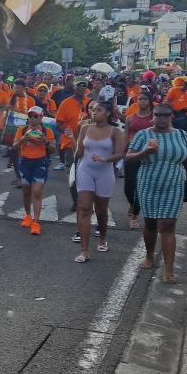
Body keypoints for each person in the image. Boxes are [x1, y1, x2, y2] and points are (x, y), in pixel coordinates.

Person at [127, 103, 187, 283]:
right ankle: (150, 256)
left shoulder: (181, 135)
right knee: (151, 223)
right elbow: (129, 156)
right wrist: (145, 151)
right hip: (149, 183)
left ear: (171, 117)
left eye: (165, 115)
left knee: (167, 225)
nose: (161, 118)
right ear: (153, 115)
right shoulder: (144, 134)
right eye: (158, 115)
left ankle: (169, 269)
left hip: (173, 184)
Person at [73, 100, 126, 262]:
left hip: (105, 172)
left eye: (99, 110)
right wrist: (72, 163)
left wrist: (105, 159)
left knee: (101, 212)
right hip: (85, 170)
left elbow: (120, 154)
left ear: (108, 113)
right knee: (84, 208)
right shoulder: (85, 128)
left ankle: (102, 237)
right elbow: (79, 151)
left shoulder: (116, 131)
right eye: (93, 110)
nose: (94, 112)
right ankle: (84, 250)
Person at [13, 106, 55, 235]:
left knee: (36, 192)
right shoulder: (22, 130)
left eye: (35, 116)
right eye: (30, 116)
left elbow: (53, 150)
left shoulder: (47, 131)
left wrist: (46, 142)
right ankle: (27, 216)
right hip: (25, 162)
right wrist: (23, 139)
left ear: (41, 117)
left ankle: (36, 222)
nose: (32, 119)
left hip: (40, 163)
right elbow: (14, 147)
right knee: (26, 192)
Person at [123, 88, 156, 231]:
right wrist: (123, 151)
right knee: (129, 187)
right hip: (132, 154)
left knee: (141, 187)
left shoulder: (155, 118)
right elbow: (126, 135)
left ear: (150, 102)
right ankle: (132, 204)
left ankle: (134, 214)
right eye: (140, 99)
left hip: (149, 156)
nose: (142, 101)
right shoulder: (130, 118)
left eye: (145, 99)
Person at [54, 78, 89, 170]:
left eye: (84, 85)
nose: (81, 87)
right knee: (72, 172)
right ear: (74, 87)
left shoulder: (90, 103)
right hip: (70, 143)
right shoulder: (65, 103)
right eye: (79, 85)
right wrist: (68, 132)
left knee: (85, 171)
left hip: (87, 143)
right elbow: (58, 124)